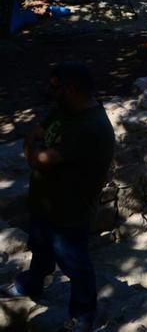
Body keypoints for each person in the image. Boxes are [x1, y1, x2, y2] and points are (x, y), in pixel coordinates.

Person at [5, 62, 115, 332]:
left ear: (72, 90)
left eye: (56, 88)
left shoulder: (89, 127)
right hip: (47, 203)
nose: (50, 92)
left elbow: (39, 158)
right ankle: (32, 282)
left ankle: (83, 315)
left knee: (75, 264)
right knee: (40, 245)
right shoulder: (66, 111)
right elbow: (39, 136)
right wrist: (34, 147)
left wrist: (31, 148)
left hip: (69, 210)